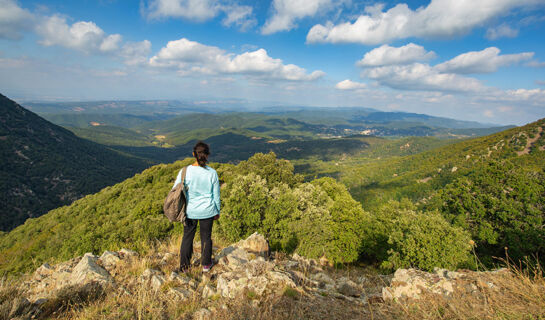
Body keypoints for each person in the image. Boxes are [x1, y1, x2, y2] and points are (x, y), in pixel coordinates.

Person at [172, 141, 220, 273]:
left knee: (187, 237)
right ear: (207, 155)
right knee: (206, 237)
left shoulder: (185, 171)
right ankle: (206, 265)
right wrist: (217, 211)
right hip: (208, 211)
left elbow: (175, 190)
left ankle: (184, 266)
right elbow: (216, 195)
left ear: (194, 154)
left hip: (190, 211)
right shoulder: (212, 173)